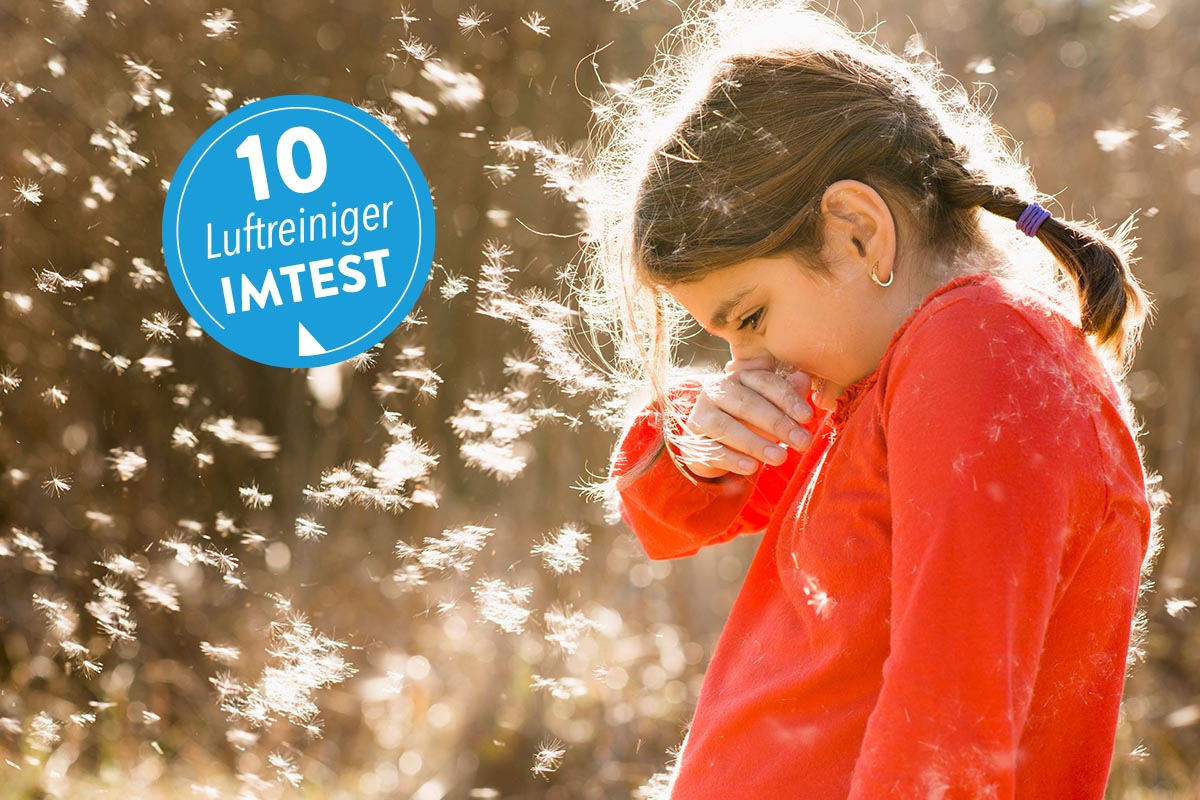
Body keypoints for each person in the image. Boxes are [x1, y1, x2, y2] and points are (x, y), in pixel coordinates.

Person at [577, 1, 1167, 797]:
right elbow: (670, 511)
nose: (746, 364)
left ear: (857, 231)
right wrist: (697, 432)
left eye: (749, 317)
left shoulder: (976, 357)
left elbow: (946, 734)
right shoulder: (889, 369)